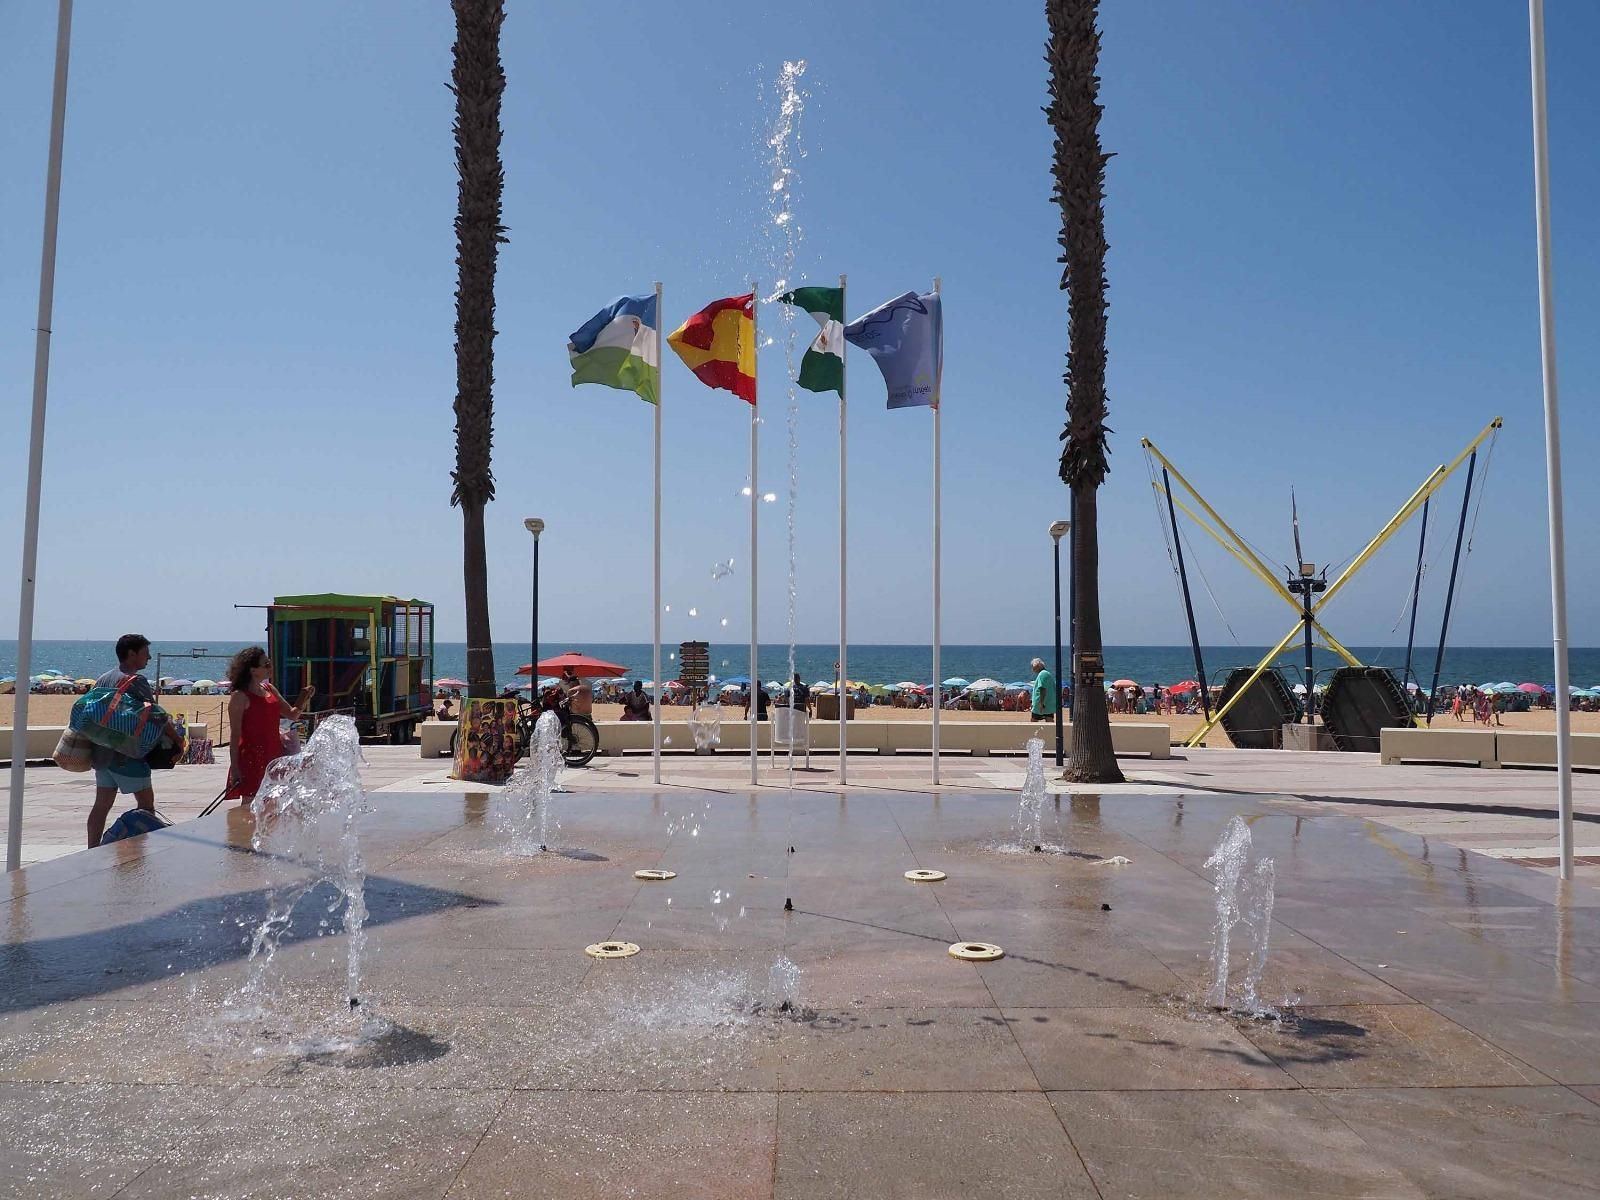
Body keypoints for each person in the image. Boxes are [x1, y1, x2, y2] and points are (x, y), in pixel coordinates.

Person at [86, 635, 187, 848]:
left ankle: (92, 849)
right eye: (145, 652)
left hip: (101, 754)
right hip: (127, 754)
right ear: (132, 653)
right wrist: (178, 740)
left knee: (101, 806)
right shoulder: (135, 681)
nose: (149, 657)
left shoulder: (103, 679)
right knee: (146, 805)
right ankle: (145, 848)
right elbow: (156, 715)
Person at [225, 646, 314, 805]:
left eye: (270, 663)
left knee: (276, 802)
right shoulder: (240, 696)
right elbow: (235, 735)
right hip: (252, 757)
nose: (270, 667)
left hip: (275, 754)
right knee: (251, 804)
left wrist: (304, 697)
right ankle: (246, 831)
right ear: (253, 670)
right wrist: (235, 768)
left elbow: (292, 714)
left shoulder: (269, 688)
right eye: (266, 664)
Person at [1029, 657, 1057, 723]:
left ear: (1038, 666)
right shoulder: (1047, 674)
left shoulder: (1042, 674)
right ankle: (1051, 733)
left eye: (1033, 667)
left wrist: (1041, 703)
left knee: (1034, 720)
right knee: (1049, 719)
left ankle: (1034, 733)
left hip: (1041, 704)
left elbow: (1042, 689)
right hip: (1049, 703)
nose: (1032, 669)